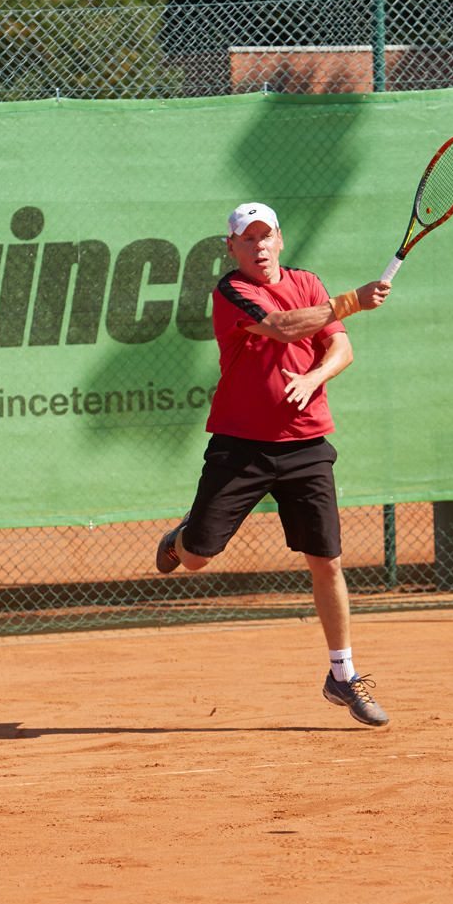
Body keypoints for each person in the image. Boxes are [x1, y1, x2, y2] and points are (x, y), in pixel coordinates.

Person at [156, 202, 391, 727]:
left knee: (326, 561)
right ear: (232, 247)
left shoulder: (308, 282)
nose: (259, 246)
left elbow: (341, 349)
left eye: (266, 236)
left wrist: (314, 378)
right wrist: (352, 301)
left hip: (307, 444)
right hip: (241, 445)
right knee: (196, 558)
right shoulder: (231, 291)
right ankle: (181, 538)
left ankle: (343, 675)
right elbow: (283, 327)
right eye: (248, 239)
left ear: (280, 239)